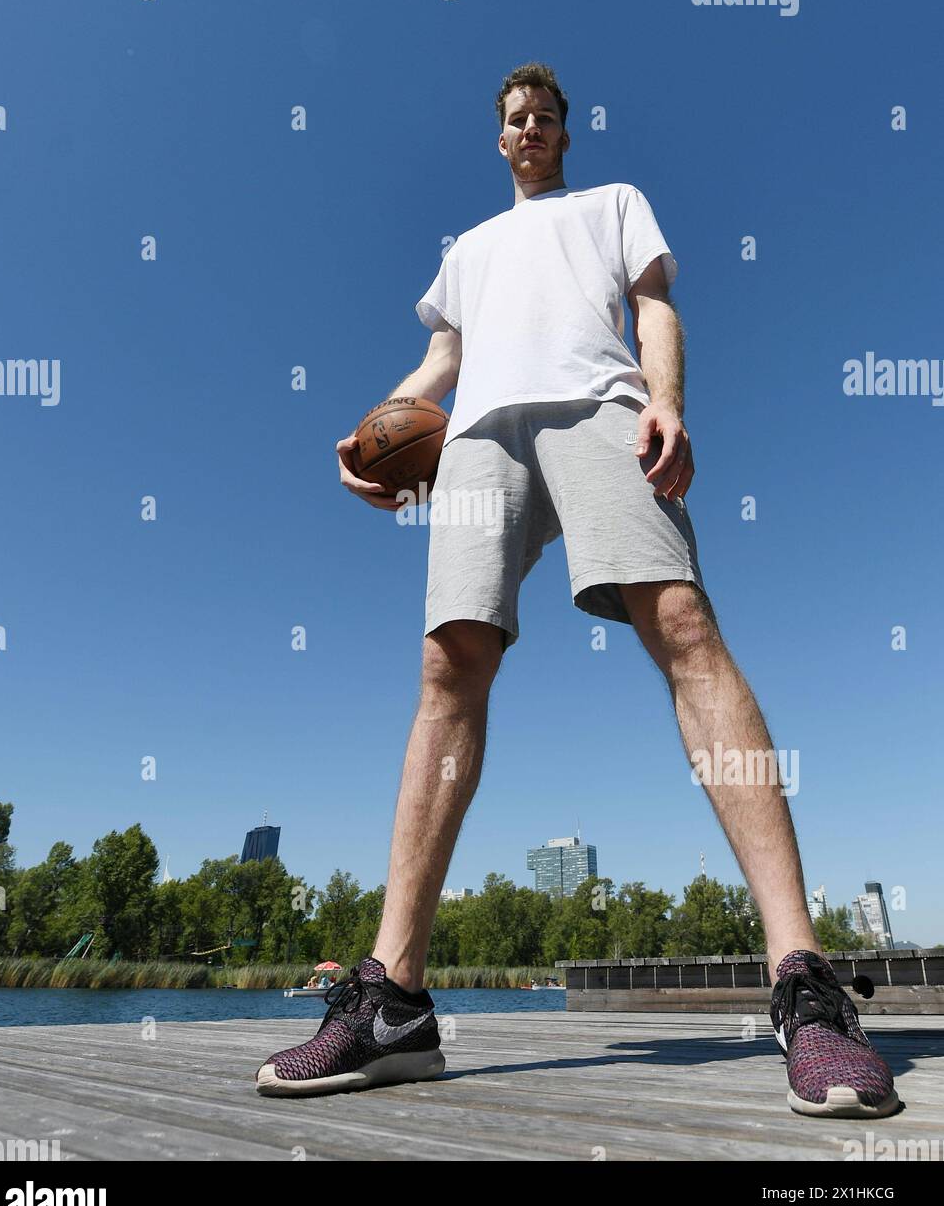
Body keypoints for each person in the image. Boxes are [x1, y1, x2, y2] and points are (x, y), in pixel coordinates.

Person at [256, 62, 898, 1120]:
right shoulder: (463, 250)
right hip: (476, 436)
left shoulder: (611, 205)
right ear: (498, 139)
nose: (528, 128)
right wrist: (372, 430)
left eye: (544, 117)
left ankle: (803, 983)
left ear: (564, 134)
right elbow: (440, 362)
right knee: (447, 661)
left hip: (599, 407)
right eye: (513, 119)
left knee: (681, 622)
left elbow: (653, 308)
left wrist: (666, 401)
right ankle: (394, 1003)